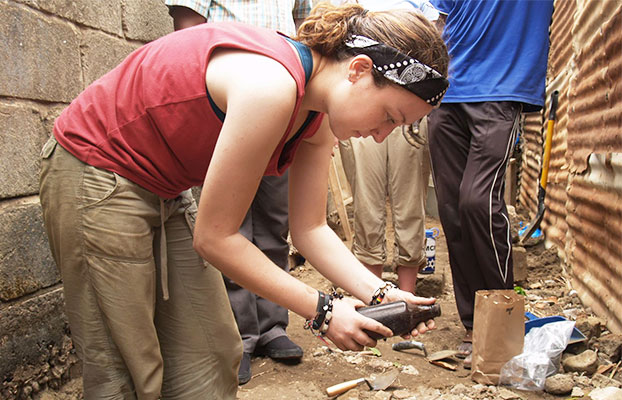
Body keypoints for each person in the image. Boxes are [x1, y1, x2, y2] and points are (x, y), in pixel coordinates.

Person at [39, 3, 449, 398]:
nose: (381, 135)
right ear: (359, 70)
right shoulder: (270, 86)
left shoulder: (317, 116)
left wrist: (381, 293)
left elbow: (309, 229)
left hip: (167, 186)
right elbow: (215, 238)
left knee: (211, 351)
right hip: (97, 170)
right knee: (126, 366)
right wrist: (323, 311)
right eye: (390, 117)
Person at [164, 0, 312, 385]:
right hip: (228, 104)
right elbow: (190, 34)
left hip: (284, 104)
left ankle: (273, 324)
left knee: (274, 221)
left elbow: (305, 24)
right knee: (232, 226)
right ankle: (240, 334)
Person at [427, 0, 554, 369]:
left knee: (477, 201)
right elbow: (440, 23)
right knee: (450, 211)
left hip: (503, 88)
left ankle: (502, 314)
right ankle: (472, 324)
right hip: (447, 92)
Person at [342, 0, 439, 295]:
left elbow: (436, 50)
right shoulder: (351, 5)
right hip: (363, 105)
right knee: (365, 201)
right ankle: (373, 294)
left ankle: (407, 295)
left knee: (410, 201)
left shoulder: (423, 5)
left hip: (406, 109)